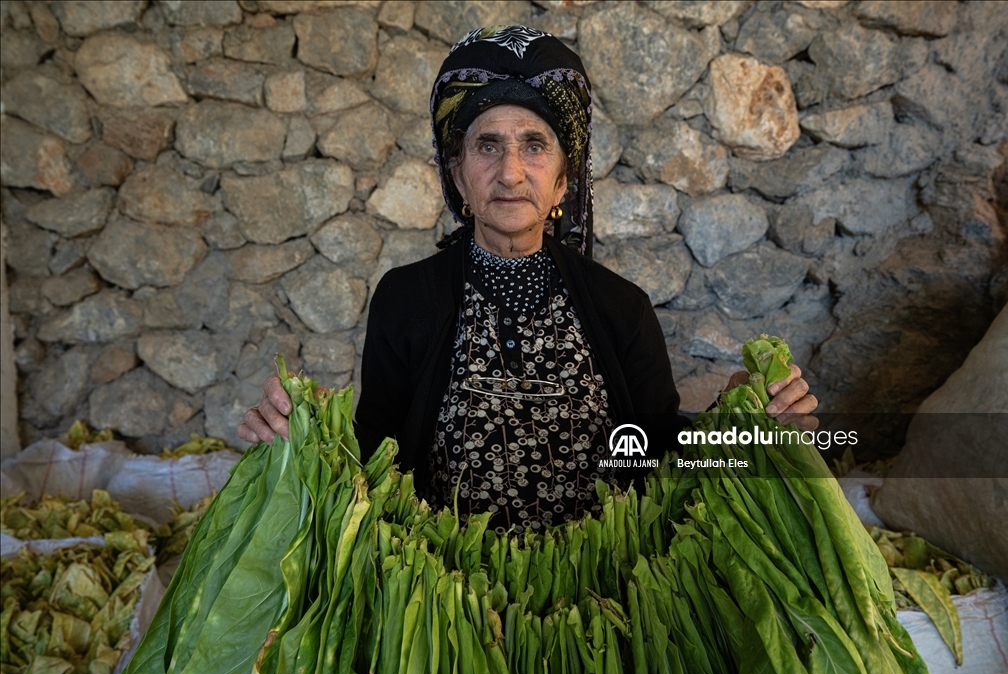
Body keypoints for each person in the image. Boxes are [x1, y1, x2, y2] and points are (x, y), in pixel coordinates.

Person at [239, 26, 818, 534]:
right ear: (458, 177)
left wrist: (746, 419)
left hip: (597, 604)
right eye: (487, 146)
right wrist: (306, 428)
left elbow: (663, 454)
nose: (510, 172)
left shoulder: (622, 308)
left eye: (534, 146)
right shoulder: (406, 298)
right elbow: (374, 455)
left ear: (564, 182)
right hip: (443, 604)